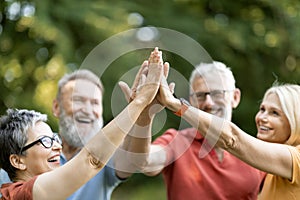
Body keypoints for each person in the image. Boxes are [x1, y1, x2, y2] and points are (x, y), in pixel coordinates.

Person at [0, 48, 165, 199]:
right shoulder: (19, 193)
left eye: (94, 103)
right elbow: (91, 160)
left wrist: (144, 113)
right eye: (78, 100)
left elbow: (136, 158)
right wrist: (140, 102)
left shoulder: (50, 163)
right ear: (17, 161)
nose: (87, 110)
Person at [120, 60, 265, 199]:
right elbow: (143, 161)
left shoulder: (254, 148)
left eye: (217, 93)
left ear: (235, 97)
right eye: (200, 96)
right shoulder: (178, 142)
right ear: (192, 100)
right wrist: (145, 116)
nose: (208, 102)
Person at [158, 70, 300, 199]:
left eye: (274, 113)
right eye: (262, 109)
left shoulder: (297, 159)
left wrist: (175, 105)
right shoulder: (270, 169)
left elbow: (232, 139)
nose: (262, 117)